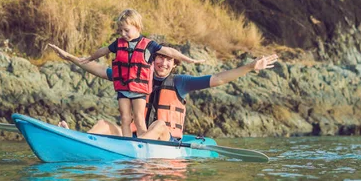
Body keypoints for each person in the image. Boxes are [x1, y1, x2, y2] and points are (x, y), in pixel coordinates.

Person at [48, 43, 278, 141]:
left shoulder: (181, 82)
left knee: (160, 124)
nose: (163, 63)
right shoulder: (135, 76)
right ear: (152, 59)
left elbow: (218, 79)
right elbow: (98, 69)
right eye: (160, 58)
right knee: (103, 124)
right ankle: (73, 138)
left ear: (175, 65)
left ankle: (130, 151)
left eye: (169, 60)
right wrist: (71, 58)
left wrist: (249, 67)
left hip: (166, 142)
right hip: (136, 139)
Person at [78, 9, 203, 138]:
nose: (123, 34)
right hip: (125, 90)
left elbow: (171, 52)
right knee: (115, 120)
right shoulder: (119, 45)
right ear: (153, 60)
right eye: (121, 31)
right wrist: (85, 59)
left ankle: (140, 144)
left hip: (165, 137)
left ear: (137, 26)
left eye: (126, 30)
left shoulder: (150, 47)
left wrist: (190, 60)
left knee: (150, 122)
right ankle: (86, 140)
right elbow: (101, 63)